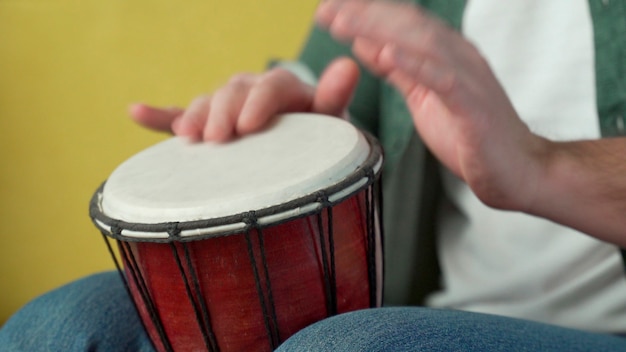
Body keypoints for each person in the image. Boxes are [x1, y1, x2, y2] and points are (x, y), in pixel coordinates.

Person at [1, 0, 625, 350]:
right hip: (426, 308)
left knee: (345, 350)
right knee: (58, 327)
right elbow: (322, 82)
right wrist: (288, 121)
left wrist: (542, 165)